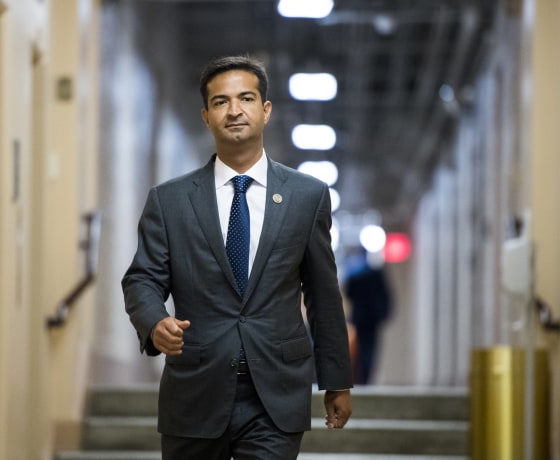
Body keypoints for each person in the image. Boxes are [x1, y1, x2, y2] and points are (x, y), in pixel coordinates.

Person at [122, 54, 352, 460]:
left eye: (245, 99)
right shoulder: (170, 200)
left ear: (265, 111)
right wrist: (154, 322)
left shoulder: (306, 197)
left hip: (275, 394)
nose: (234, 111)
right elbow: (142, 279)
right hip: (195, 389)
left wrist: (337, 382)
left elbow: (322, 292)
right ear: (206, 117)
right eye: (220, 102)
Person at [343, 246, 392, 385]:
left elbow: (349, 294)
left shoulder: (354, 275)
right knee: (370, 350)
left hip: (359, 319)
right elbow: (385, 295)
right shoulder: (376, 273)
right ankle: (366, 377)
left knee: (361, 349)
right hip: (373, 319)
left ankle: (362, 377)